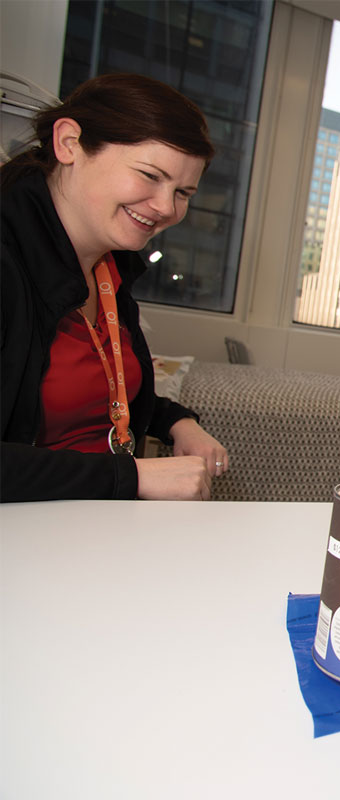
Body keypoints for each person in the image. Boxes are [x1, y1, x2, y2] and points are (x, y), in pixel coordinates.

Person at [2, 73, 228, 502]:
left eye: (183, 192)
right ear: (68, 143)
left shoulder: (110, 266)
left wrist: (176, 421)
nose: (166, 208)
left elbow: (99, 388)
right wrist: (132, 477)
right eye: (149, 175)